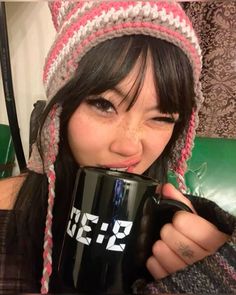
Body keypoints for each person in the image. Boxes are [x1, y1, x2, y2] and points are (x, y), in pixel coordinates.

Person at [0, 1, 235, 294]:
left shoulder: (204, 236)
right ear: (61, 109)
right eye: (103, 104)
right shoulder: (6, 221)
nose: (129, 146)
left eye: (162, 118)